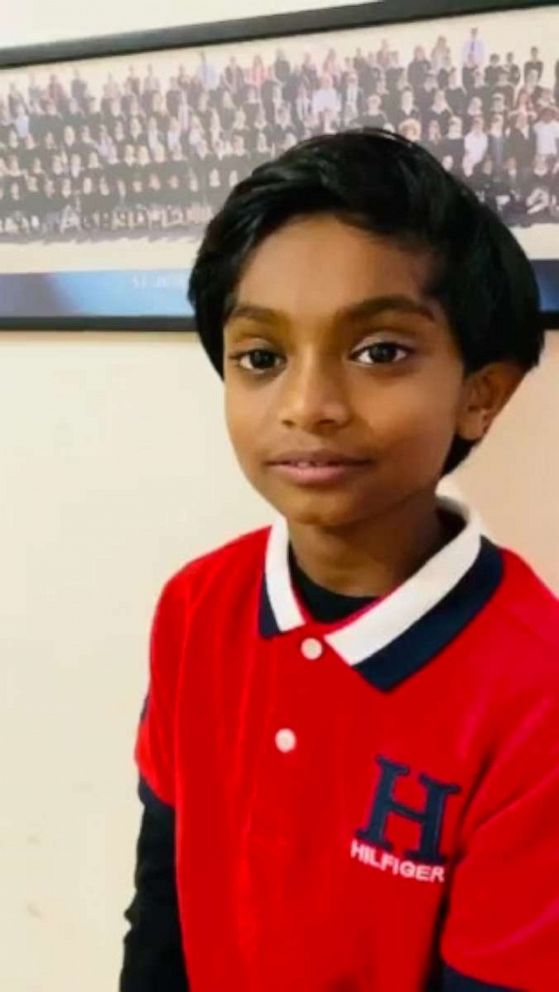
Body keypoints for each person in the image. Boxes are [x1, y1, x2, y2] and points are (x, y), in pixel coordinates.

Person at [120, 128, 558, 992]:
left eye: (378, 352)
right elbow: (161, 909)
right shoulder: (197, 605)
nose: (308, 405)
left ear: (480, 394)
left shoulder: (535, 690)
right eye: (261, 358)